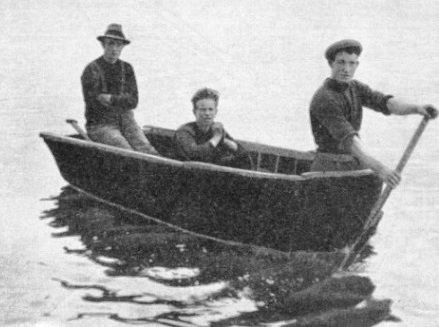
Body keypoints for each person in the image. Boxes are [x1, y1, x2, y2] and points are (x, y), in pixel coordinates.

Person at [309, 39, 437, 188]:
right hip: (328, 168)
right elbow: (350, 141)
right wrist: (381, 169)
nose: (346, 69)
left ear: (357, 65)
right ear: (331, 64)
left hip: (351, 162)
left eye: (351, 63)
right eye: (341, 62)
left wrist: (416, 108)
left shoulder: (354, 87)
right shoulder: (324, 98)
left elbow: (385, 103)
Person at [81, 23, 158, 155]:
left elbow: (133, 101)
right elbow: (95, 104)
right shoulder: (91, 70)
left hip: (127, 121)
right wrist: (122, 101)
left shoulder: (127, 68)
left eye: (118, 45)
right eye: (111, 44)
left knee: (147, 149)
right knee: (126, 153)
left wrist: (111, 98)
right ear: (103, 44)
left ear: (122, 46)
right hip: (100, 125)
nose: (114, 49)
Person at [174, 88, 252, 169]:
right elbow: (194, 156)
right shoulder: (184, 132)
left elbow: (245, 158)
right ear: (194, 112)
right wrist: (216, 138)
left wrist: (227, 142)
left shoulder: (217, 130)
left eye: (210, 109)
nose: (207, 113)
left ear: (216, 112)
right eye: (203, 110)